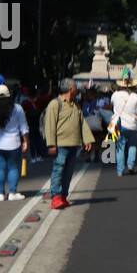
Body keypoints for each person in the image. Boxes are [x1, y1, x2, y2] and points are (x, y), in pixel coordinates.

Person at [42, 79, 95, 209]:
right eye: (75, 87)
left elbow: (82, 122)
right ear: (71, 89)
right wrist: (51, 144)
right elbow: (49, 125)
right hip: (60, 144)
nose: (77, 89)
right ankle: (55, 196)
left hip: (74, 143)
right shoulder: (55, 104)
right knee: (58, 170)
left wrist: (87, 139)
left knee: (68, 172)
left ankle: (63, 196)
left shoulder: (75, 104)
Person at [110, 69, 137, 177]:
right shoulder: (136, 97)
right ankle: (130, 165)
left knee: (120, 148)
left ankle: (120, 171)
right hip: (132, 125)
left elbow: (112, 106)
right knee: (132, 146)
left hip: (117, 124)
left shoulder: (115, 95)